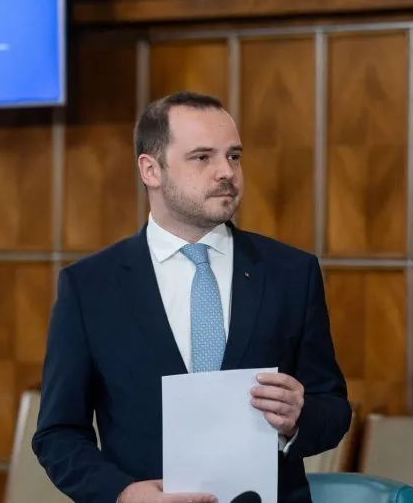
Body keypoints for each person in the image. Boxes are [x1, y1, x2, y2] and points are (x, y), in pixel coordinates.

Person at [32, 91, 351, 503]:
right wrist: (123, 494)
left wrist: (298, 418)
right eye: (202, 157)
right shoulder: (89, 286)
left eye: (233, 156)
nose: (226, 172)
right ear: (151, 170)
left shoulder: (291, 273)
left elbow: (333, 409)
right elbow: (57, 434)